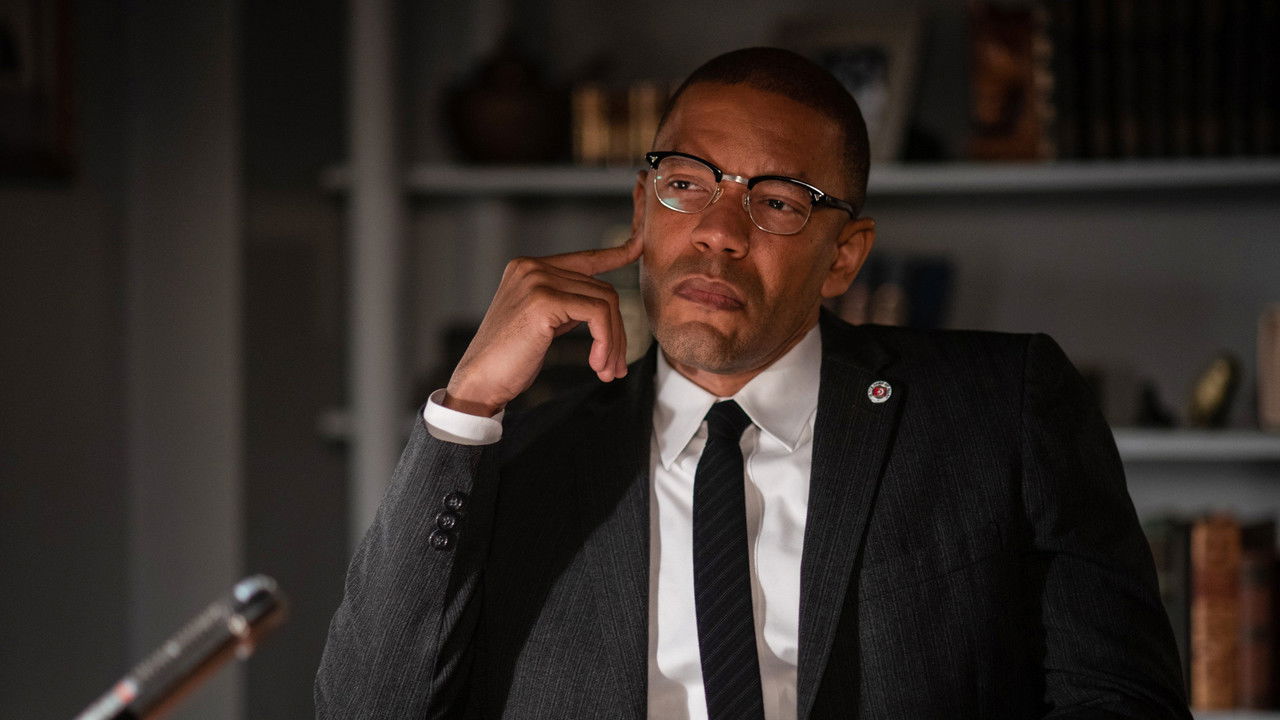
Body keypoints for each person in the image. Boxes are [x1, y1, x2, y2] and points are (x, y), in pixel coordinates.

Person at [317, 47, 1188, 720]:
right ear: (641, 210)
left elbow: (1122, 701)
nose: (719, 232)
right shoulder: (520, 464)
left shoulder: (1001, 410)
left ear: (843, 255)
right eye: (685, 184)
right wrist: (465, 408)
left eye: (777, 201)